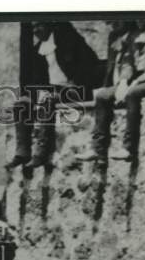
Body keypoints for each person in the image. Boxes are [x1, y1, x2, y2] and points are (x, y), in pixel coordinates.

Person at [80, 20, 145, 164]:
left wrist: (137, 81)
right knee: (103, 96)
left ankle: (129, 148)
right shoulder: (136, 35)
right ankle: (98, 148)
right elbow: (128, 61)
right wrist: (123, 81)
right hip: (137, 80)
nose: (138, 19)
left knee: (133, 93)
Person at [9, 21, 104, 171]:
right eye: (33, 27)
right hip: (55, 91)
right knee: (21, 104)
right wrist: (32, 96)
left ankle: (41, 151)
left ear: (49, 25)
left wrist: (76, 83)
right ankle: (22, 151)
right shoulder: (38, 51)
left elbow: (88, 64)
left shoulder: (69, 41)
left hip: (78, 89)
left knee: (48, 99)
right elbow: (37, 80)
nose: (36, 30)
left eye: (39, 25)